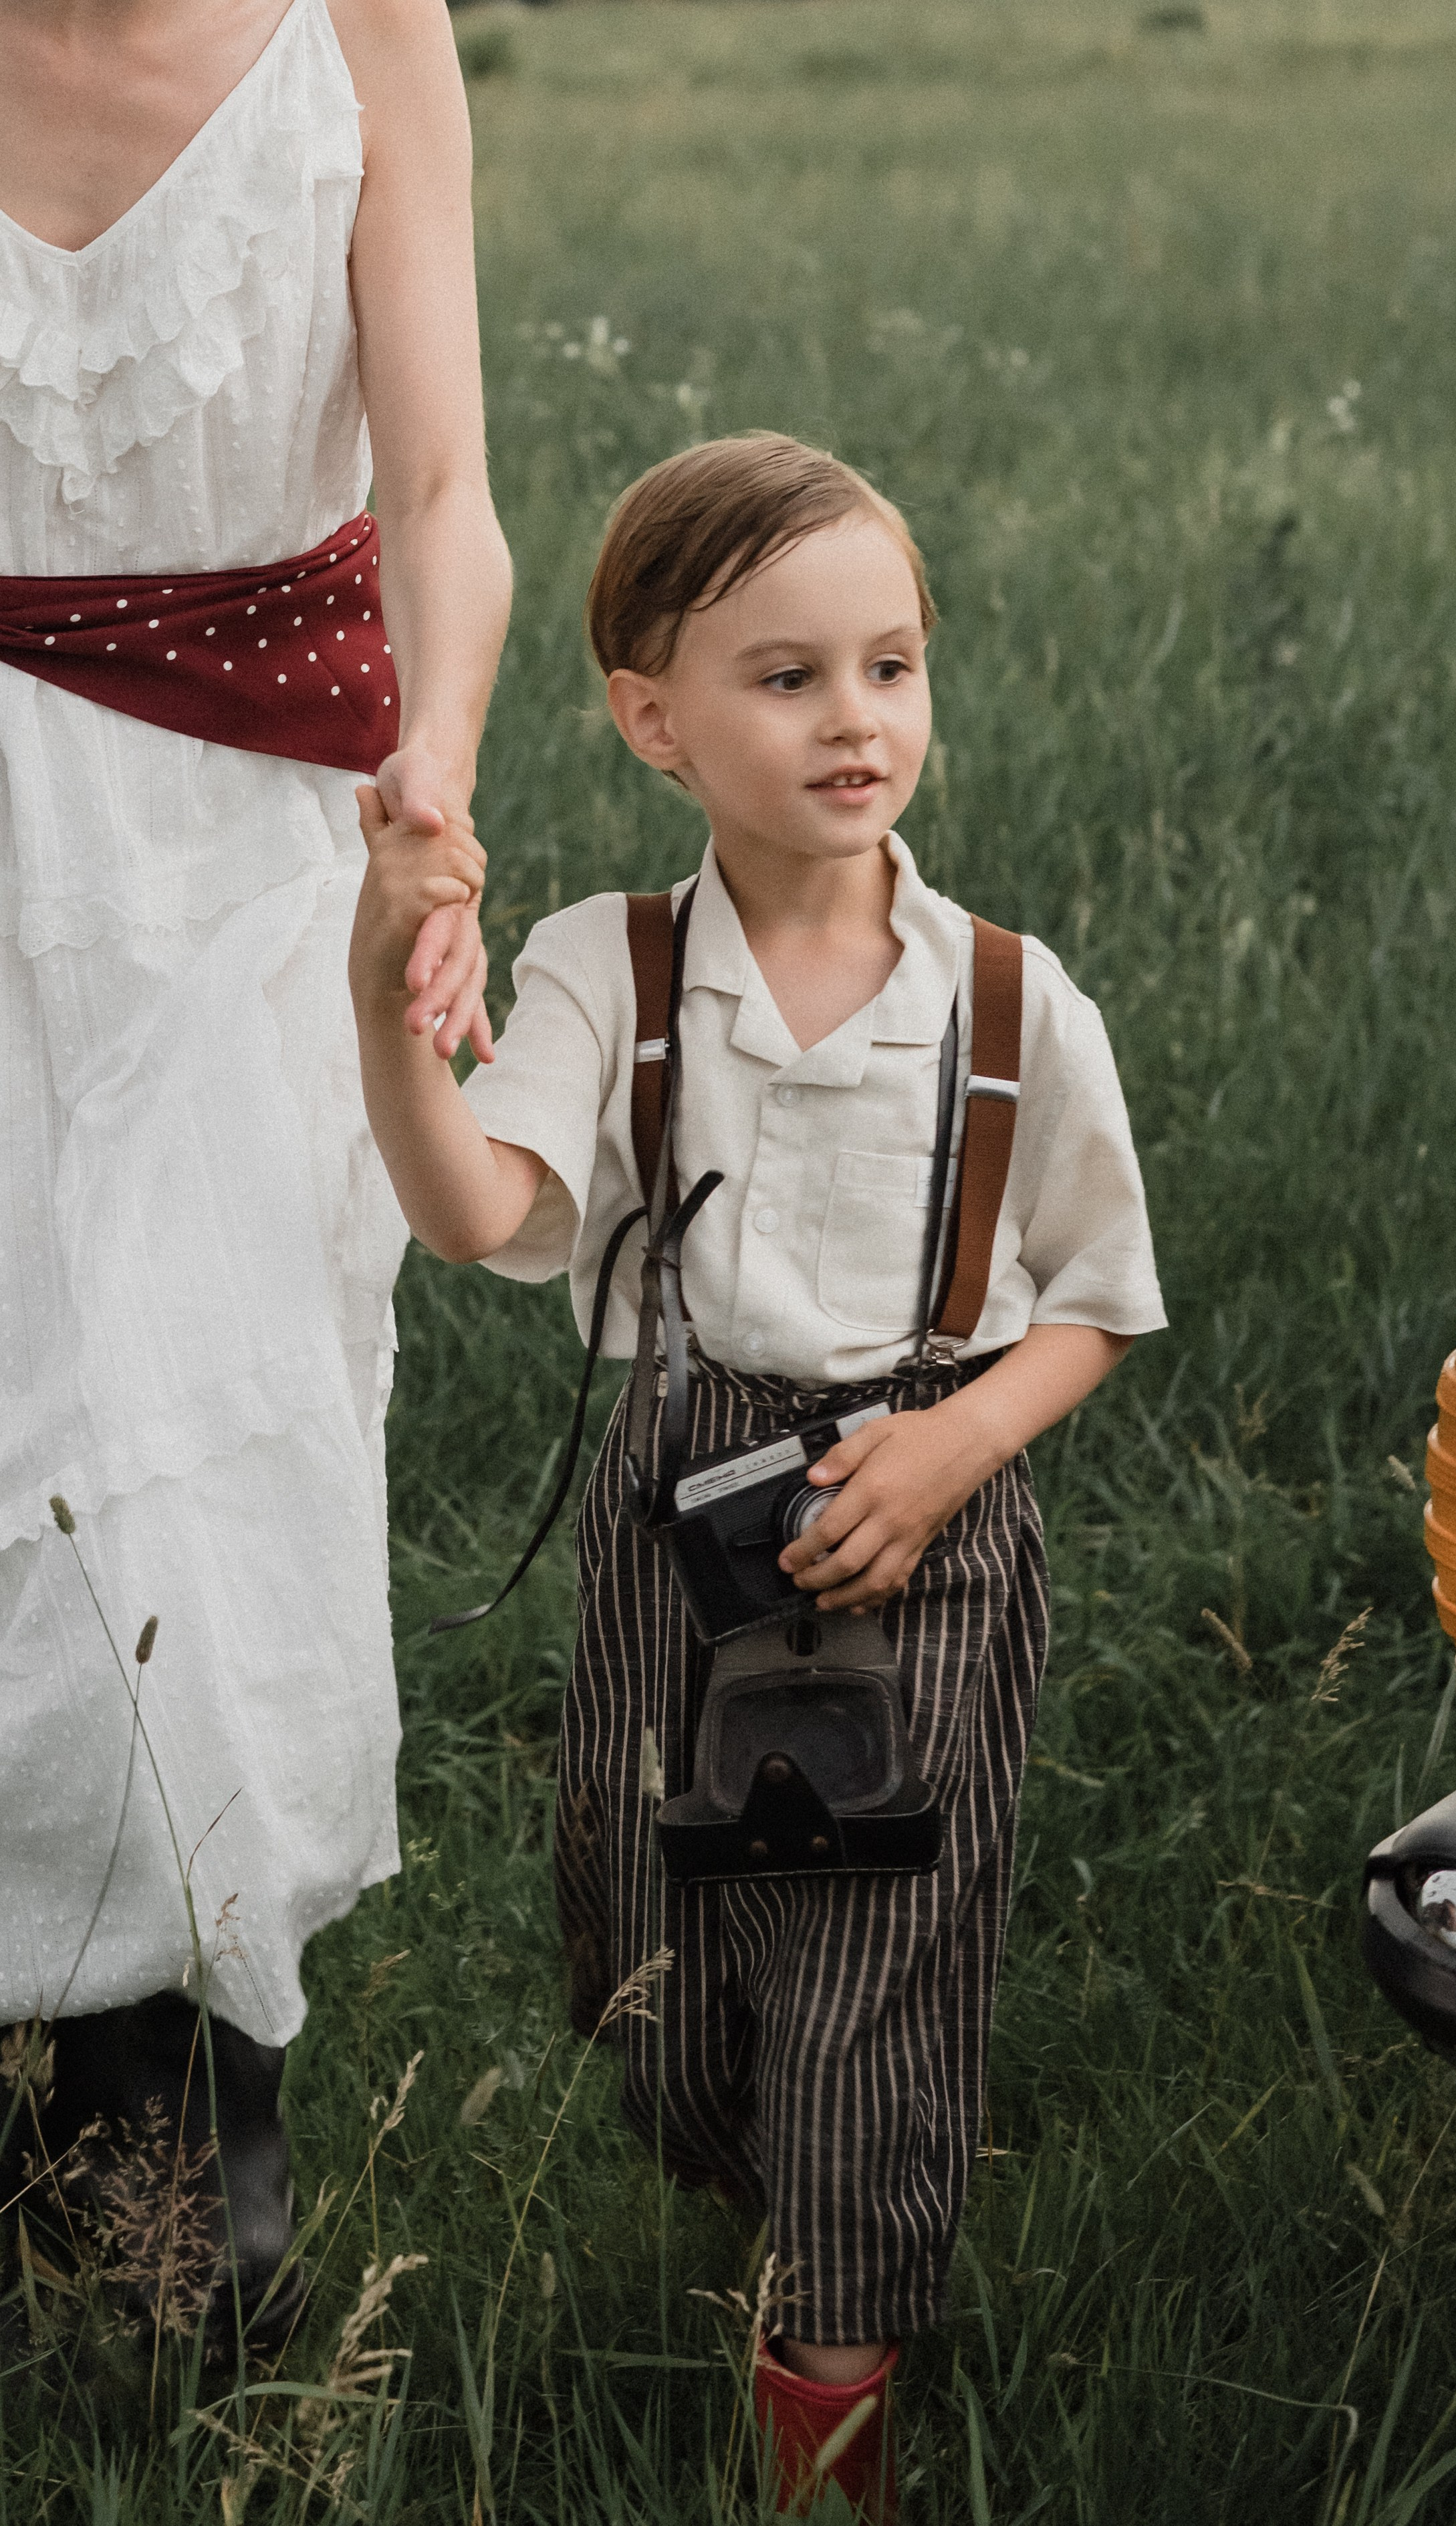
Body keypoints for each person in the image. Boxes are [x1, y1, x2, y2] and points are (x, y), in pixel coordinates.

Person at [350, 432, 1165, 2515]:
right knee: (659, 1973)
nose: (854, 718)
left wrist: (961, 1438)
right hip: (681, 1518)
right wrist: (386, 1010)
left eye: (890, 665)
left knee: (869, 1995)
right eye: (787, 677)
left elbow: (1096, 1297)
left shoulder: (1008, 1001)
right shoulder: (605, 968)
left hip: (925, 1516)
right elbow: (473, 1208)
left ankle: (829, 2403)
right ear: (654, 721)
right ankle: (769, 2177)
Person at [0, 0, 507, 2337]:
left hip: (238, 862)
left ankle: (180, 2161)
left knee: (197, 1469)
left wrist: (437, 789)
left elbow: (442, 493)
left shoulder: (362, 33)